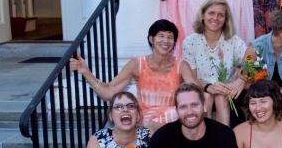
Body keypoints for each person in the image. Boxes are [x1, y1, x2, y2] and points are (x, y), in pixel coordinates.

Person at [69, 19, 198, 131]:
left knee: (177, 113)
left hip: (172, 116)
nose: (166, 40)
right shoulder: (137, 64)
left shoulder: (181, 65)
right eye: (161, 36)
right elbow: (108, 93)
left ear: (174, 42)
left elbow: (196, 92)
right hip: (144, 117)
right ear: (151, 39)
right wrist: (86, 72)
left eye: (170, 37)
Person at [181, 0, 248, 126]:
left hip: (228, 91)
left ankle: (223, 138)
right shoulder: (190, 41)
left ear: (225, 19)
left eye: (220, 15)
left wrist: (241, 79)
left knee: (220, 96)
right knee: (210, 96)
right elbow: (192, 78)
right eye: (211, 13)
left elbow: (251, 62)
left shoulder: (233, 41)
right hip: (201, 89)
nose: (215, 18)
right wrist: (209, 87)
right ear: (203, 16)